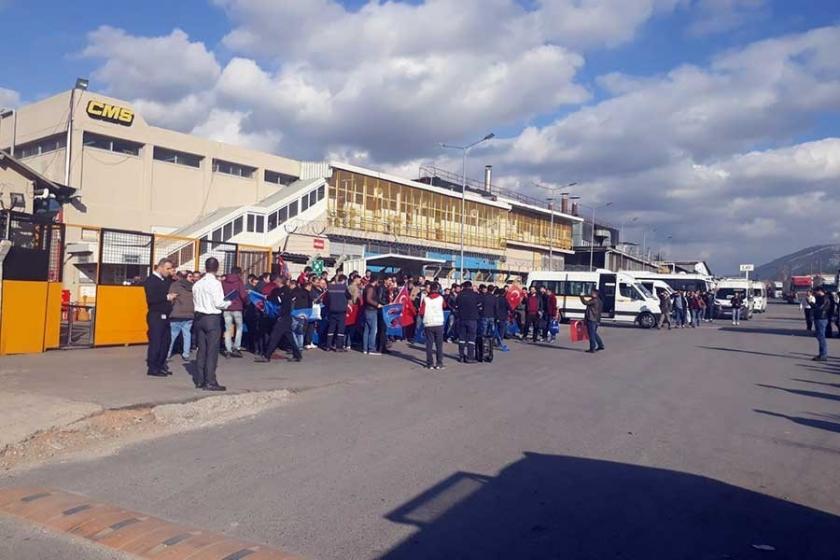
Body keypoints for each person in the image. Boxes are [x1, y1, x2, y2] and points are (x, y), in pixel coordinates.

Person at [192, 257, 231, 390]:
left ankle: (200, 380)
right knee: (212, 351)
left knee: (201, 350)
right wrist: (229, 302)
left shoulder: (197, 283)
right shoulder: (215, 283)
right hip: (212, 318)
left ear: (205, 266)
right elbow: (219, 303)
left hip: (199, 317)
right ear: (217, 267)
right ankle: (210, 381)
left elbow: (195, 301)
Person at [256, 275, 303, 363]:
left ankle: (267, 356)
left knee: (274, 336)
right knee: (290, 338)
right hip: (284, 317)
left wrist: (280, 315)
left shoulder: (285, 291)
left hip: (283, 317)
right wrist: (267, 298)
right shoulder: (278, 291)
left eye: (277, 280)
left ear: (280, 281)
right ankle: (297, 355)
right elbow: (272, 298)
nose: (275, 282)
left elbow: (281, 304)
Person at [143, 258, 177, 377]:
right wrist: (167, 297)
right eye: (167, 269)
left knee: (165, 341)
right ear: (160, 267)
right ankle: (153, 368)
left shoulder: (165, 279)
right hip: (156, 315)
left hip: (165, 314)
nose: (169, 271)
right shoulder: (151, 280)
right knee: (156, 342)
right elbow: (152, 299)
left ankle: (161, 365)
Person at [221, 266, 248, 358]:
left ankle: (228, 349)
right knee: (239, 328)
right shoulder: (239, 282)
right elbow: (243, 296)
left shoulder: (223, 282)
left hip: (226, 308)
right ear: (239, 273)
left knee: (228, 329)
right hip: (237, 307)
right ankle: (236, 347)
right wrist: (245, 303)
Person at [167, 271, 195, 362]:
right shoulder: (193, 286)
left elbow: (171, 298)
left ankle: (167, 354)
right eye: (190, 276)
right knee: (187, 334)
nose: (192, 278)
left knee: (172, 335)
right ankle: (186, 354)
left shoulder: (174, 285)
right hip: (190, 314)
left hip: (176, 313)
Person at [419, 281, 446, 370]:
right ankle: (439, 363)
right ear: (438, 289)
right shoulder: (441, 298)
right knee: (439, 345)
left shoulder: (426, 299)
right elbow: (444, 306)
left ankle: (430, 363)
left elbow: (421, 312)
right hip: (438, 323)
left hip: (428, 323)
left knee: (429, 344)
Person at [455, 281, 480, 363]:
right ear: (471, 286)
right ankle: (470, 357)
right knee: (471, 339)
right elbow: (479, 305)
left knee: (461, 338)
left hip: (462, 318)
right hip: (472, 319)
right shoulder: (475, 295)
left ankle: (461, 356)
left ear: (464, 286)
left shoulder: (460, 295)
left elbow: (456, 305)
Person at [325, 273, 351, 351]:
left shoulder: (330, 287)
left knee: (331, 328)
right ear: (343, 281)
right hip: (341, 310)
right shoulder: (344, 288)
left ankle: (328, 346)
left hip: (332, 310)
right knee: (340, 329)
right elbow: (349, 296)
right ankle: (339, 347)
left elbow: (327, 298)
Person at [580, 288, 605, 353]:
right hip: (596, 319)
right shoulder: (599, 301)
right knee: (594, 333)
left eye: (592, 293)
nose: (591, 293)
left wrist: (582, 296)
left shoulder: (594, 300)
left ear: (595, 294)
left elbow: (585, 302)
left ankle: (592, 348)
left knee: (591, 334)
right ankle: (601, 345)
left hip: (591, 319)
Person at [363, 276, 381, 355]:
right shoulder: (370, 288)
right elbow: (368, 299)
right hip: (371, 310)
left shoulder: (366, 287)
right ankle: (371, 348)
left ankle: (365, 348)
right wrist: (377, 304)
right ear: (376, 281)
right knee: (373, 330)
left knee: (367, 330)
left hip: (367, 310)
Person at [812, 286, 830, 361]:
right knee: (819, 336)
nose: (815, 293)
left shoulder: (824, 298)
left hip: (821, 319)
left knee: (821, 337)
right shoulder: (819, 297)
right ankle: (822, 354)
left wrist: (811, 302)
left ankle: (823, 355)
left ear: (820, 291)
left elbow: (819, 308)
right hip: (818, 318)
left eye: (816, 291)